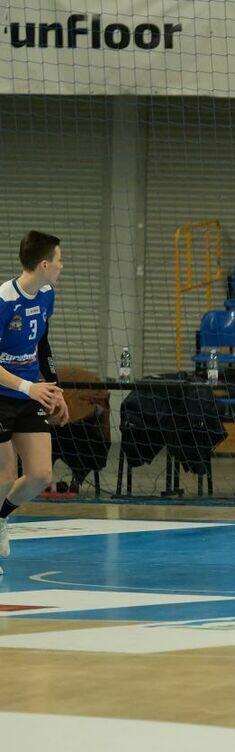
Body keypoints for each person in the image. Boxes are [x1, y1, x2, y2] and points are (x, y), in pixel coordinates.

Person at [0, 231, 70, 573]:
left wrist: (54, 390)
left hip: (30, 391)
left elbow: (42, 343)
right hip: (4, 393)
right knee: (4, 476)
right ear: (44, 264)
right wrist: (30, 388)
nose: (61, 266)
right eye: (59, 260)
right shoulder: (3, 300)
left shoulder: (46, 296)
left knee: (40, 474)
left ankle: (0, 518)